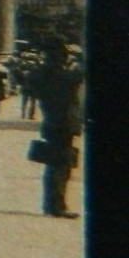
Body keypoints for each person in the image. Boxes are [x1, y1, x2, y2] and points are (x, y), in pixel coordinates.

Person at [33, 45, 85, 219]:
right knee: (61, 167)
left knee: (52, 166)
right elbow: (80, 75)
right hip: (64, 125)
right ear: (62, 58)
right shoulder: (64, 76)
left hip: (50, 124)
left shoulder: (43, 75)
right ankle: (57, 206)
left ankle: (50, 204)